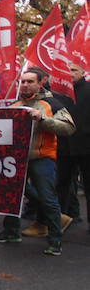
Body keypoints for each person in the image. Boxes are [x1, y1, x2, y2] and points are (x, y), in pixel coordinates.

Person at [0, 67, 75, 255]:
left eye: (30, 81)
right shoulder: (15, 105)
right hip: (16, 160)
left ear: (40, 83)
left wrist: (43, 119)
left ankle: (55, 241)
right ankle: (11, 231)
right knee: (12, 195)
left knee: (48, 198)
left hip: (41, 158)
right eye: (23, 81)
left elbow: (68, 128)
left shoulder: (51, 103)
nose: (26, 85)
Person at [57, 63, 90, 230]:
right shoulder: (61, 93)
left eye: (74, 70)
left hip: (86, 147)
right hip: (65, 146)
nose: (70, 73)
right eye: (68, 69)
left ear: (83, 72)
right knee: (61, 185)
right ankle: (59, 222)